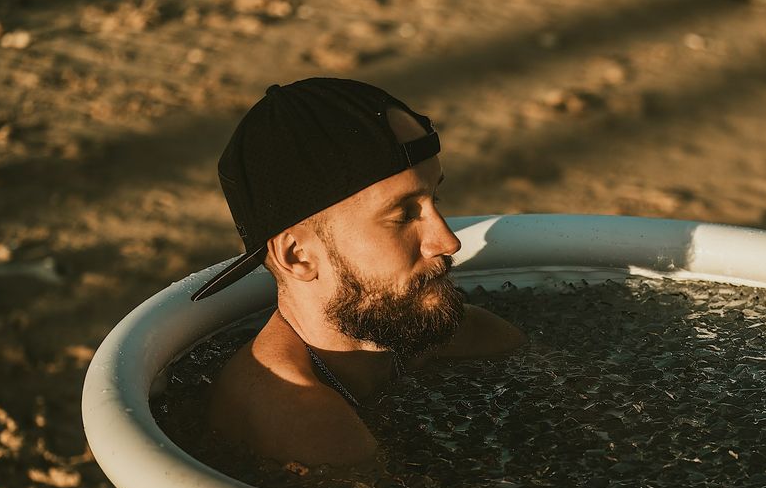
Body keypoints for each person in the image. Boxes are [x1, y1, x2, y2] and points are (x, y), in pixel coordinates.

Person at [190, 78, 525, 465]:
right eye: (403, 215)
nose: (448, 242)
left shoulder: (438, 334)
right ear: (298, 256)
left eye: (435, 199)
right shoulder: (304, 418)